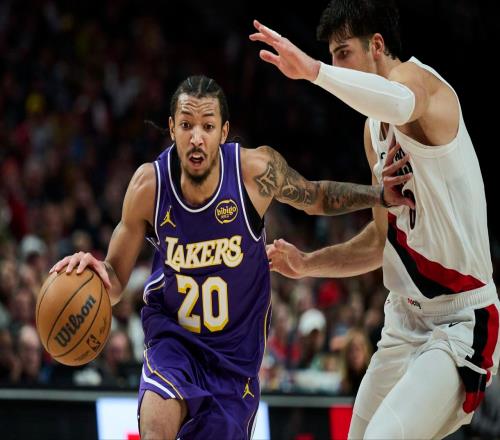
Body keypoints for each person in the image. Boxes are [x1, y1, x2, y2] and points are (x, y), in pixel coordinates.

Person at [49, 74, 411, 439]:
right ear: (172, 128)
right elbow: (114, 280)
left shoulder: (255, 172)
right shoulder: (148, 186)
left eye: (207, 126)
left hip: (235, 361)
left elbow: (316, 197)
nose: (196, 137)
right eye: (186, 125)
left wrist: (378, 195)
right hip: (173, 342)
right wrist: (95, 276)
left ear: (223, 132)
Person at [252, 1, 500, 438]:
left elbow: (401, 102)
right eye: (330, 58)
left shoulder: (422, 85)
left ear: (377, 46)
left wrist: (313, 71)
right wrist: (307, 264)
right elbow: (379, 242)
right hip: (403, 320)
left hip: (460, 319)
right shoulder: (372, 132)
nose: (337, 67)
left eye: (343, 53)